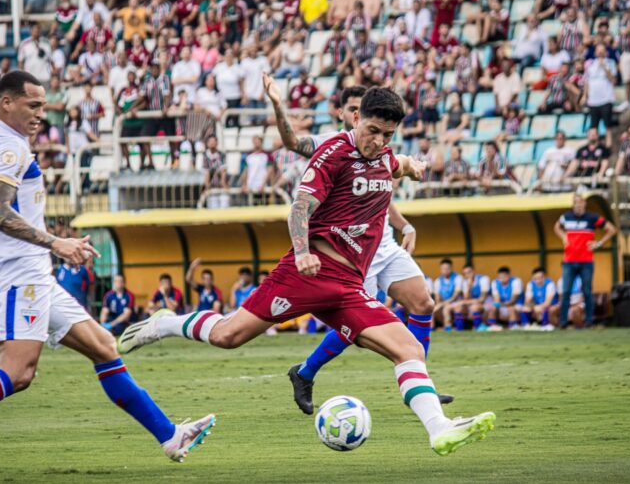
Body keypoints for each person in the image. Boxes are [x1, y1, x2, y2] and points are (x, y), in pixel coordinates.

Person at [119, 87, 493, 455]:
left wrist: (414, 167)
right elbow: (299, 207)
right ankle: (165, 323)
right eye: (372, 131)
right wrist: (301, 252)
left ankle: (439, 428)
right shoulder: (333, 153)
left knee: (408, 348)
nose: (378, 141)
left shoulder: (385, 157)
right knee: (228, 336)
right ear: (356, 118)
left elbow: (400, 164)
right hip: (308, 274)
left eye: (387, 135)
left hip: (348, 286)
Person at [0, 71, 213, 466]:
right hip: (21, 274)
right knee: (17, 373)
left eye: (43, 107)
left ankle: (169, 435)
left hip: (24, 271)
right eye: (32, 106)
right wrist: (57, 243)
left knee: (103, 345)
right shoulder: (11, 147)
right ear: (6, 102)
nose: (39, 116)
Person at [263, 75, 446, 409]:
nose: (355, 117)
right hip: (346, 247)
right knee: (358, 323)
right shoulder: (329, 144)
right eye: (350, 109)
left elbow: (379, 192)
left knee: (423, 303)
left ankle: (422, 382)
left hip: (382, 243)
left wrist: (405, 225)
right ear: (348, 114)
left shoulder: (380, 146)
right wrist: (278, 106)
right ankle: (306, 371)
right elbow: (291, 142)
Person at [554, 194, 617, 328]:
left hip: (586, 261)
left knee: (587, 292)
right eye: (575, 202)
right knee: (566, 292)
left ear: (584, 204)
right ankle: (563, 323)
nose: (578, 205)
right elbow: (556, 227)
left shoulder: (592, 218)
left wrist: (599, 244)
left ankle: (589, 321)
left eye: (580, 202)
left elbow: (611, 229)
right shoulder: (566, 217)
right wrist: (563, 237)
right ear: (573, 205)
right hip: (569, 261)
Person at [582, 44, 617, 148]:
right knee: (593, 126)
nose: (600, 52)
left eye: (602, 50)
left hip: (606, 98)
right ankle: (594, 146)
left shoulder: (611, 63)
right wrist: (585, 95)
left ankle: (608, 145)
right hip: (593, 100)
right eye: (599, 50)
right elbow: (587, 81)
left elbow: (613, 80)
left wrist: (604, 67)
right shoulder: (590, 64)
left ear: (606, 52)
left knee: (608, 125)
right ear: (595, 52)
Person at [452, 264, 490, 331]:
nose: (468, 275)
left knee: (474, 307)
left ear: (474, 271)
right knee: (458, 308)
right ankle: (459, 330)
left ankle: (477, 328)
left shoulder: (483, 279)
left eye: (469, 272)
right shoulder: (465, 282)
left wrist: (466, 302)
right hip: (472, 304)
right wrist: (469, 287)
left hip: (486, 304)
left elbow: (482, 299)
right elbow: (466, 299)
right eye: (465, 273)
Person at [485, 267, 524, 331]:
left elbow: (513, 300)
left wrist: (501, 305)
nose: (501, 279)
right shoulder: (495, 282)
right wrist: (497, 305)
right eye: (500, 277)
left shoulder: (516, 281)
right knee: (492, 308)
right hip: (502, 305)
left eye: (504, 277)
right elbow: (496, 298)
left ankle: (513, 327)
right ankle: (491, 327)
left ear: (508, 276)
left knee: (511, 308)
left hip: (516, 305)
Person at [433, 259, 463, 331]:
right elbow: (437, 297)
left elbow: (455, 296)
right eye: (443, 269)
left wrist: (444, 304)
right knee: (432, 310)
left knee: (447, 308)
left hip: (456, 302)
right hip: (444, 303)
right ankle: (432, 328)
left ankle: (449, 328)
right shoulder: (438, 280)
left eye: (447, 268)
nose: (445, 270)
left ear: (451, 268)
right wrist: (439, 304)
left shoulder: (458, 278)